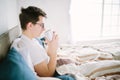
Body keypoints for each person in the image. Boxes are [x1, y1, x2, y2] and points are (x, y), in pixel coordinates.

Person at [11, 6, 75, 80]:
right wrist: (54, 52)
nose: (44, 28)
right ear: (30, 25)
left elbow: (42, 55)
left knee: (70, 63)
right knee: (72, 77)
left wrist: (51, 47)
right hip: (52, 71)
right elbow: (48, 74)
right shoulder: (31, 48)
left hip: (51, 64)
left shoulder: (31, 40)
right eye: (41, 25)